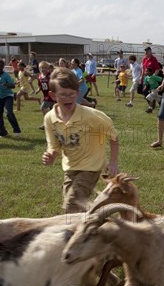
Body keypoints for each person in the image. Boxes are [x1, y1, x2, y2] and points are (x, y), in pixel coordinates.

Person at [42, 67, 119, 212]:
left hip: (91, 166)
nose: (68, 98)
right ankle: (95, 222)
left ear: (77, 93)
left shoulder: (91, 116)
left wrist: (113, 163)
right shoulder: (49, 118)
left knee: (72, 204)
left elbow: (114, 137)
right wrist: (51, 155)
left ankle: (84, 228)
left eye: (71, 94)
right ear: (53, 95)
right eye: (63, 95)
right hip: (70, 167)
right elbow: (54, 145)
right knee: (72, 206)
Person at [0, 59, 21, 138]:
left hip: (8, 96)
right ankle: (2, 133)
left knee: (9, 112)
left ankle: (16, 130)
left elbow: (13, 86)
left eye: (1, 65)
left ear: (3, 66)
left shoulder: (6, 75)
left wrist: (7, 85)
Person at [36, 61, 56, 130]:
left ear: (47, 68)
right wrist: (38, 90)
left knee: (43, 107)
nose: (43, 69)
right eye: (41, 68)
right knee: (52, 110)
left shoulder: (50, 75)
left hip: (51, 95)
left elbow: (55, 83)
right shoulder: (40, 76)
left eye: (45, 67)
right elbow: (40, 85)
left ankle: (46, 123)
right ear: (39, 68)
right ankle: (53, 124)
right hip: (46, 96)